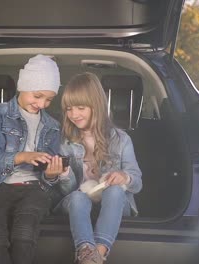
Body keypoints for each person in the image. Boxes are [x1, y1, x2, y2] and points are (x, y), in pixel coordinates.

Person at [0, 54, 67, 264]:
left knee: (26, 226)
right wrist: (22, 156)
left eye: (49, 99)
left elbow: (49, 176)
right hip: (2, 184)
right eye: (37, 95)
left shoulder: (53, 125)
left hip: (36, 188)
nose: (42, 103)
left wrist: (51, 174)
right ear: (22, 86)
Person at [57, 72, 142, 264]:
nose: (74, 115)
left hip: (114, 203)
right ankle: (86, 251)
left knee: (115, 191)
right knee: (78, 197)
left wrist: (124, 177)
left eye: (80, 107)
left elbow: (137, 183)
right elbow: (66, 192)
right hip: (78, 204)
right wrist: (64, 175)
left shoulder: (121, 140)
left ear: (97, 106)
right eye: (69, 109)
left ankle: (97, 255)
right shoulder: (65, 143)